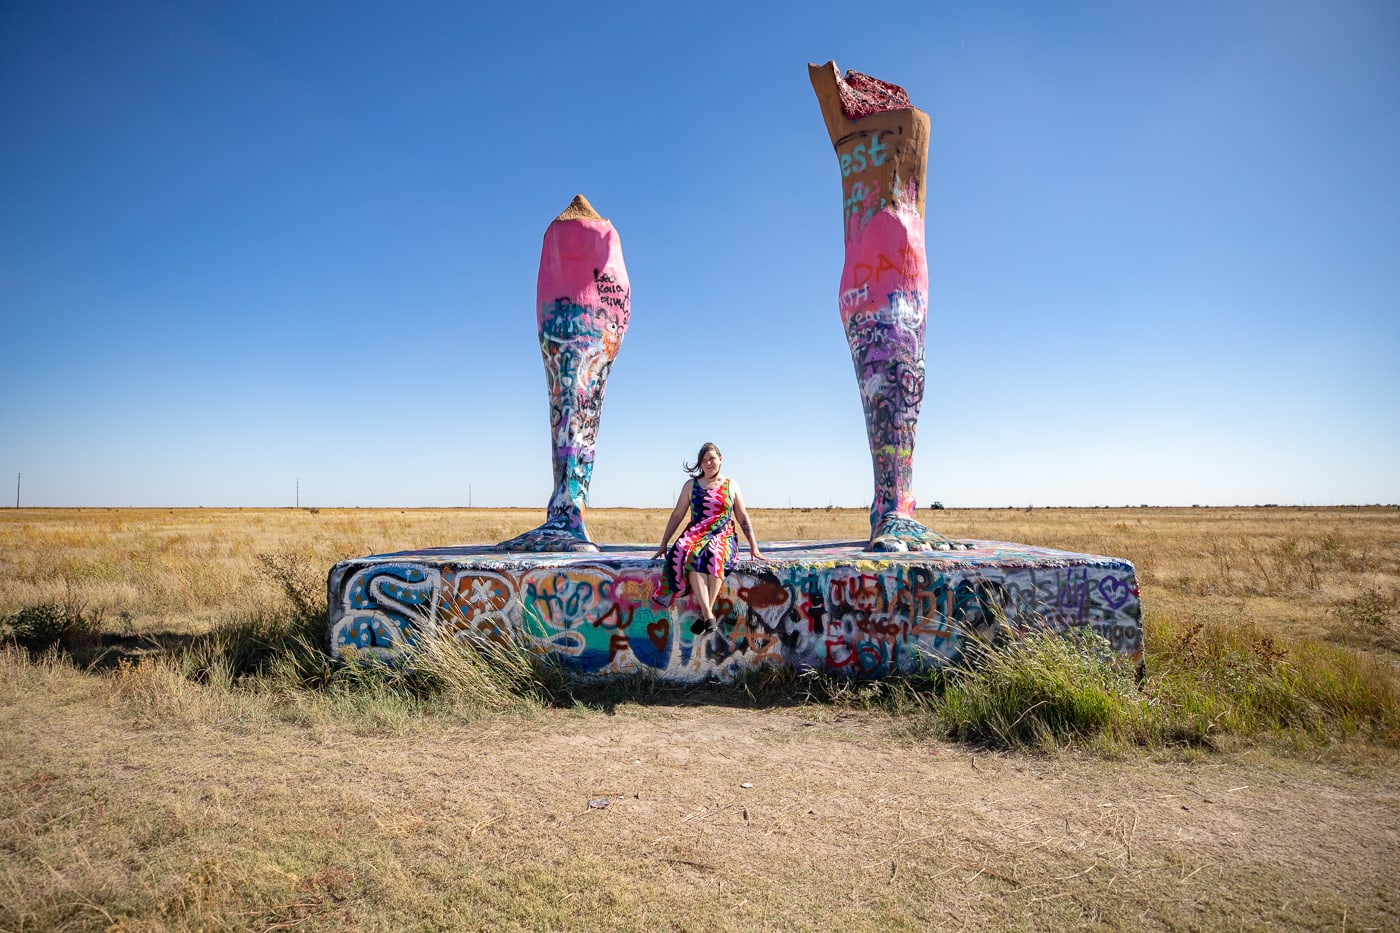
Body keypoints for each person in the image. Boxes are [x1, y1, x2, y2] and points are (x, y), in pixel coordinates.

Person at [652, 443, 768, 633]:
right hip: (696, 533)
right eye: (704, 460)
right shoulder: (691, 485)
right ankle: (708, 614)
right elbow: (677, 515)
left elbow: (742, 517)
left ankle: (705, 614)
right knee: (689, 553)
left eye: (712, 459)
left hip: (723, 533)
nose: (708, 463)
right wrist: (664, 543)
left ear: (720, 459)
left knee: (715, 554)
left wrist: (754, 546)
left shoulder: (731, 485)